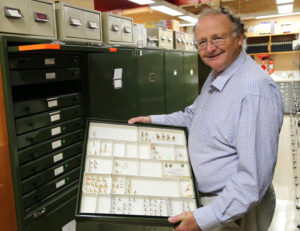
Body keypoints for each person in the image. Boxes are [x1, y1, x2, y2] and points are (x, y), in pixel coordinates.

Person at [129, 6, 284, 231]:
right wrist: (152, 121)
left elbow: (252, 181)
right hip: (210, 200)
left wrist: (203, 218)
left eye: (217, 38)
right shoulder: (219, 74)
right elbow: (193, 116)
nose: (209, 48)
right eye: (201, 42)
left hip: (231, 210)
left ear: (239, 38)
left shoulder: (254, 91)